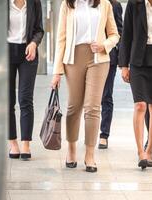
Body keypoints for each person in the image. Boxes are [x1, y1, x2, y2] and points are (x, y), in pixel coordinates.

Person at [51, 0, 120, 173]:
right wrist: (56, 71)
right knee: (74, 107)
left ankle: (90, 154)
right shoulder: (68, 5)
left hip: (98, 59)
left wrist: (104, 45)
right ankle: (71, 148)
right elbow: (61, 39)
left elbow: (114, 34)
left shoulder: (104, 4)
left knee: (92, 107)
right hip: (73, 59)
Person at [119, 0, 152, 170]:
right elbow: (126, 34)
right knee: (140, 105)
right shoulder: (134, 5)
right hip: (138, 61)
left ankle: (149, 150)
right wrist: (124, 65)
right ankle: (140, 151)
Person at [8, 0, 44, 161]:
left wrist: (34, 43)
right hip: (5, 52)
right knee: (7, 101)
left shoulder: (34, 2)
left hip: (28, 54)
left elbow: (39, 30)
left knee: (25, 98)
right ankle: (12, 142)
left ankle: (25, 143)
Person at [98, 0, 123, 150]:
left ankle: (104, 135)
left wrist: (122, 58)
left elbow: (119, 31)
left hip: (108, 57)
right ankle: (90, 131)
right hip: (88, 56)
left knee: (106, 96)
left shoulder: (114, 5)